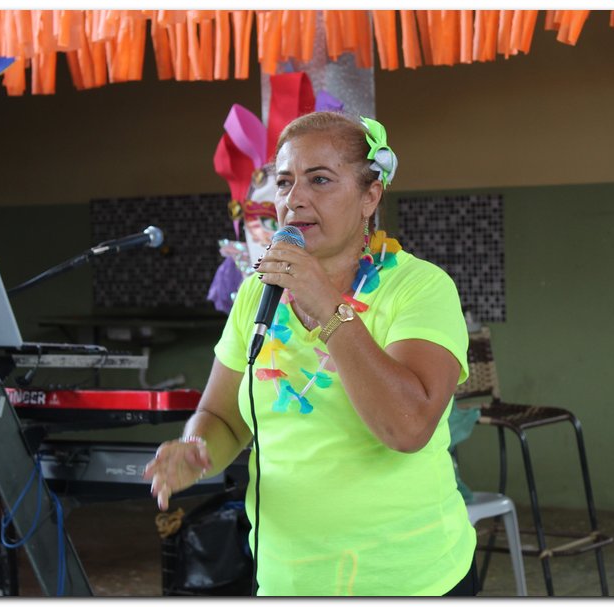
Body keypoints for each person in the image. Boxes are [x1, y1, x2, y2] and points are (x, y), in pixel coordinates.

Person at [144, 111, 476, 596]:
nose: (294, 199)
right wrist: (196, 451)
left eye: (319, 179)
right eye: (284, 182)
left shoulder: (421, 288)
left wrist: (327, 306)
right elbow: (222, 416)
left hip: (409, 579)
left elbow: (407, 428)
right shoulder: (258, 293)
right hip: (288, 578)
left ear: (370, 196)